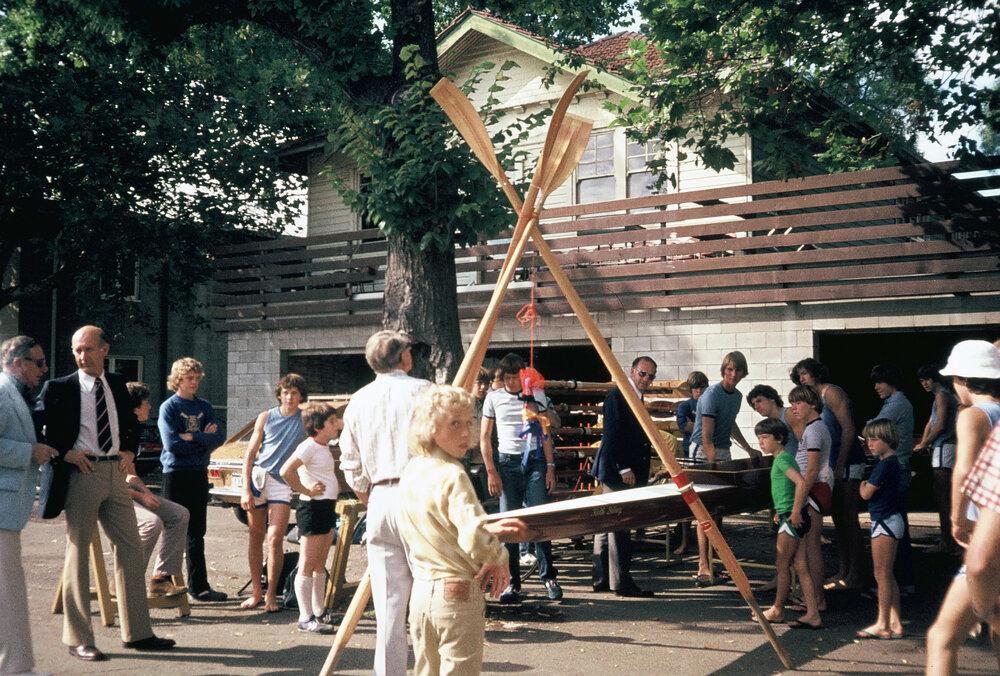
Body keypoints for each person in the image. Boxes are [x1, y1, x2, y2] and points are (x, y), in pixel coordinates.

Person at [36, 325, 175, 661]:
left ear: (104, 350)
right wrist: (65, 452)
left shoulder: (115, 383)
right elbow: (37, 427)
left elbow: (130, 423)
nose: (82, 356)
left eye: (88, 349)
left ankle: (138, 633)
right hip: (82, 474)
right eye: (77, 350)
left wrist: (129, 450)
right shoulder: (58, 388)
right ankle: (79, 638)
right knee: (78, 552)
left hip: (116, 473)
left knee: (130, 549)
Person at [398, 385, 527, 676]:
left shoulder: (412, 471)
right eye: (455, 423)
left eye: (469, 422)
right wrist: (498, 554)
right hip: (456, 594)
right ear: (430, 428)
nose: (466, 432)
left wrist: (489, 529)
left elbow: (441, 524)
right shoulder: (452, 474)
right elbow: (473, 538)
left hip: (420, 593)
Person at [339, 330, 430, 675]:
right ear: (404, 357)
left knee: (390, 609)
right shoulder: (424, 391)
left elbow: (350, 462)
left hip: (380, 498)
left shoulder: (358, 400)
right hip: (418, 495)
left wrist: (371, 495)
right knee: (428, 599)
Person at [926, 340, 1000, 674]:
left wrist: (956, 519)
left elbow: (964, 468)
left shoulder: (972, 414)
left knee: (942, 638)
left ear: (962, 380)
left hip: (985, 536)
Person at [480, 353, 562, 604]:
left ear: (522, 376)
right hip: (507, 463)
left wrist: (549, 467)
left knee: (539, 519)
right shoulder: (493, 398)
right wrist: (491, 471)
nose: (512, 381)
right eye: (507, 377)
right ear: (502, 377)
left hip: (535, 460)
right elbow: (485, 437)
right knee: (509, 523)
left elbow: (546, 431)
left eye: (516, 377)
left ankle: (548, 577)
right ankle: (512, 583)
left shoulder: (534, 394)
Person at [0, 336, 58, 674]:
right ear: (18, 363)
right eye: (38, 362)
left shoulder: (14, 393)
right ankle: (16, 669)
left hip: (8, 508)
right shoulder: (4, 392)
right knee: (9, 595)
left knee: (9, 593)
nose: (44, 369)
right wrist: (29, 453)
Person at [792, 357, 865, 591]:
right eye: (799, 375)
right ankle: (844, 571)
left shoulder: (831, 393)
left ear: (816, 373)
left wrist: (841, 463)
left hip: (848, 462)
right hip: (832, 466)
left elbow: (849, 429)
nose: (802, 378)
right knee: (839, 520)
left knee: (849, 520)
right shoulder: (815, 401)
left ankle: (855, 574)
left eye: (805, 373)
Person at [156, 359, 226, 602]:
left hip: (198, 471)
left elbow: (218, 437)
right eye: (190, 378)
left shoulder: (205, 406)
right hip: (175, 473)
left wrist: (191, 437)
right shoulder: (169, 407)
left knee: (197, 532)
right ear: (178, 380)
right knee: (173, 530)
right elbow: (172, 444)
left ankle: (200, 587)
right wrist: (200, 439)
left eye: (197, 378)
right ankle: (165, 584)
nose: (195, 382)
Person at [239, 373, 309, 612]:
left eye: (295, 393)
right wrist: (245, 488)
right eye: (286, 392)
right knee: (255, 535)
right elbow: (250, 453)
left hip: (283, 482)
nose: (289, 397)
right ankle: (256, 592)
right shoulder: (266, 416)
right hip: (259, 478)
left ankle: (271, 594)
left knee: (275, 538)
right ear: (279, 394)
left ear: (301, 397)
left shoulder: (305, 419)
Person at [590, 356, 657, 598]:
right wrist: (623, 468)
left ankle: (602, 579)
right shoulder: (618, 396)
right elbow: (612, 436)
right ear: (632, 371)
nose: (646, 379)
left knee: (607, 523)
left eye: (651, 376)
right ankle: (621, 582)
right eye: (642, 374)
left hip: (623, 468)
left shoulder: (635, 396)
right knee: (620, 524)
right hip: (617, 469)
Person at [689, 350, 757, 585]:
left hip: (722, 450)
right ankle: (702, 565)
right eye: (729, 370)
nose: (733, 374)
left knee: (719, 509)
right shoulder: (711, 394)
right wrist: (712, 464)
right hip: (702, 450)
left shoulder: (736, 396)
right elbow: (706, 436)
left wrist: (749, 448)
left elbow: (729, 424)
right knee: (704, 510)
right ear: (723, 370)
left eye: (738, 370)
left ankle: (714, 560)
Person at [279, 402, 342, 634]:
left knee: (319, 564)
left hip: (326, 507)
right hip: (312, 509)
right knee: (306, 563)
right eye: (332, 422)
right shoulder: (308, 446)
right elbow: (286, 470)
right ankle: (305, 617)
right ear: (317, 426)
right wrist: (305, 490)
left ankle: (319, 610)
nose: (337, 425)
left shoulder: (323, 445)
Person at [126, 382, 190, 598]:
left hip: (128, 492)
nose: (150, 407)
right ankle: (126, 582)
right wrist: (140, 496)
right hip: (110, 495)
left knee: (179, 514)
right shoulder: (116, 432)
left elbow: (130, 473)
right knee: (151, 523)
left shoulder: (134, 431)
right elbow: (108, 482)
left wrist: (147, 493)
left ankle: (160, 579)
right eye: (146, 403)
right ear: (135, 407)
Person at [756, 418, 821, 629]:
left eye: (765, 437)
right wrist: (782, 510)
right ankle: (813, 613)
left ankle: (777, 610)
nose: (761, 442)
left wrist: (793, 511)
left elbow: (801, 483)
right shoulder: (783, 459)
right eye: (759, 438)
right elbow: (788, 489)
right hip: (789, 515)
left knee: (782, 565)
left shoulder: (782, 460)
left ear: (779, 439)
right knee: (800, 566)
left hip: (791, 518)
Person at [856, 419, 905, 640]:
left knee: (881, 574)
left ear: (887, 439)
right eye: (868, 440)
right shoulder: (892, 461)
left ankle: (882, 623)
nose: (870, 444)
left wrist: (862, 484)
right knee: (888, 573)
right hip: (890, 519)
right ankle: (895, 621)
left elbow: (866, 493)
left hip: (884, 520)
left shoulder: (884, 464)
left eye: (874, 439)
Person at [869, 363, 915, 595]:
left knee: (892, 527)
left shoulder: (897, 404)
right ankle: (900, 582)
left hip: (896, 468)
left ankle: (896, 582)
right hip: (901, 466)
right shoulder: (897, 403)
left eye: (880, 382)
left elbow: (872, 428)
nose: (876, 387)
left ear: (891, 382)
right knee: (899, 527)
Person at [787, 384, 833, 613]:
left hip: (814, 490)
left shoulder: (814, 430)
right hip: (813, 489)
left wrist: (798, 505)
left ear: (812, 404)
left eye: (798, 403)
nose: (793, 407)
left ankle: (817, 599)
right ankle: (812, 596)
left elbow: (812, 470)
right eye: (792, 402)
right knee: (806, 548)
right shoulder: (812, 428)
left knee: (812, 548)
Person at [915, 364, 959, 552]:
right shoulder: (941, 396)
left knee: (943, 495)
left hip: (945, 447)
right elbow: (931, 422)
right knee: (942, 493)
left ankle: (947, 542)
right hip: (942, 446)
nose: (924, 383)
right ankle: (948, 540)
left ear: (936, 379)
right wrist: (924, 441)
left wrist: (924, 444)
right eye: (921, 380)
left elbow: (940, 425)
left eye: (927, 379)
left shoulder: (942, 395)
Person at [677, 371, 708, 458]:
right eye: (695, 388)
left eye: (702, 387)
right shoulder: (684, 406)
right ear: (690, 389)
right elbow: (684, 427)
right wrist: (709, 426)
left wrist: (695, 425)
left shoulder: (712, 405)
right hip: (690, 448)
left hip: (712, 448)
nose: (699, 391)